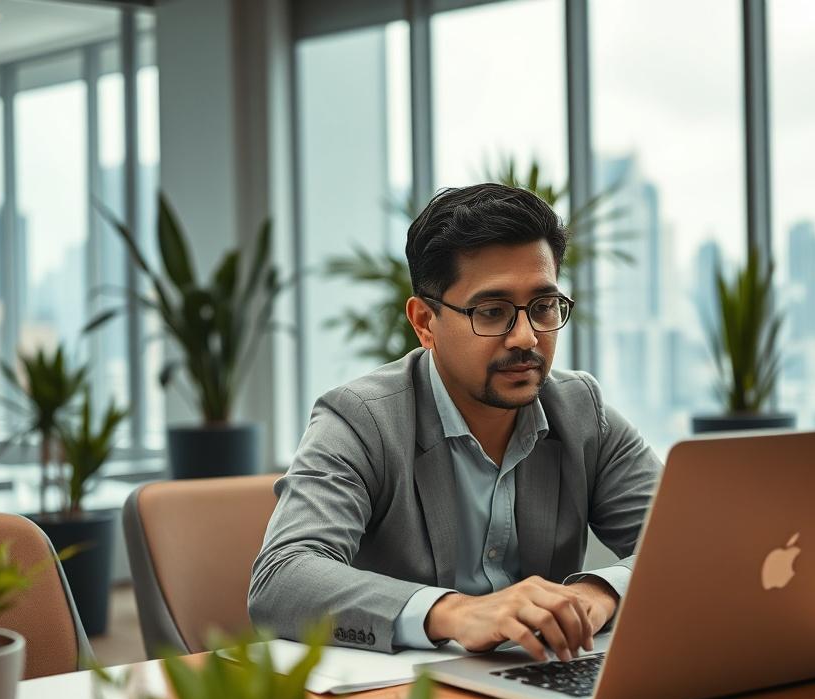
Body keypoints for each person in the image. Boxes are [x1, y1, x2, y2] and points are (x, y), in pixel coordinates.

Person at [249, 183, 662, 662]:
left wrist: (601, 592)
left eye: (544, 307)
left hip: (543, 678)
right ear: (425, 322)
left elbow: (690, 543)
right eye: (493, 312)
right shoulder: (360, 419)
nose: (526, 337)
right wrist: (456, 613)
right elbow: (283, 576)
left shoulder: (581, 411)